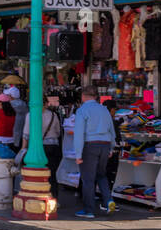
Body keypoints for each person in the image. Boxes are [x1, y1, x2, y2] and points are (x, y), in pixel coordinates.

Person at [73, 89, 116, 219]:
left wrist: (78, 154)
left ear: (83, 96)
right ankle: (108, 201)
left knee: (88, 179)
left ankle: (89, 210)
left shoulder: (82, 110)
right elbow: (111, 130)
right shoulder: (104, 110)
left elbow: (79, 133)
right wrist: (111, 148)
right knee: (101, 175)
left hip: (89, 145)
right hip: (105, 145)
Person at [20, 95, 65, 204]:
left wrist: (23, 149)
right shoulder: (54, 115)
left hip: (37, 147)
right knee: (52, 173)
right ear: (46, 103)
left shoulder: (30, 115)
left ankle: (38, 196)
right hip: (53, 147)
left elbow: (26, 135)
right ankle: (54, 198)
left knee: (36, 172)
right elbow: (58, 132)